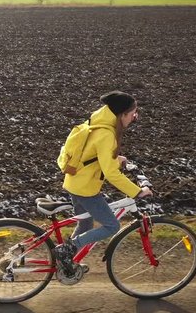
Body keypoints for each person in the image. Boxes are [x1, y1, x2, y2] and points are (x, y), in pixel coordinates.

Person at [55, 91, 153, 273]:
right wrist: (137, 192)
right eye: (133, 114)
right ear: (122, 114)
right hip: (85, 189)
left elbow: (93, 156)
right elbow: (111, 173)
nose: (134, 118)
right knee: (111, 226)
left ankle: (66, 261)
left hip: (75, 182)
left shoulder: (97, 124)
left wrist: (117, 159)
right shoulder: (107, 134)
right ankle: (67, 249)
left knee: (85, 224)